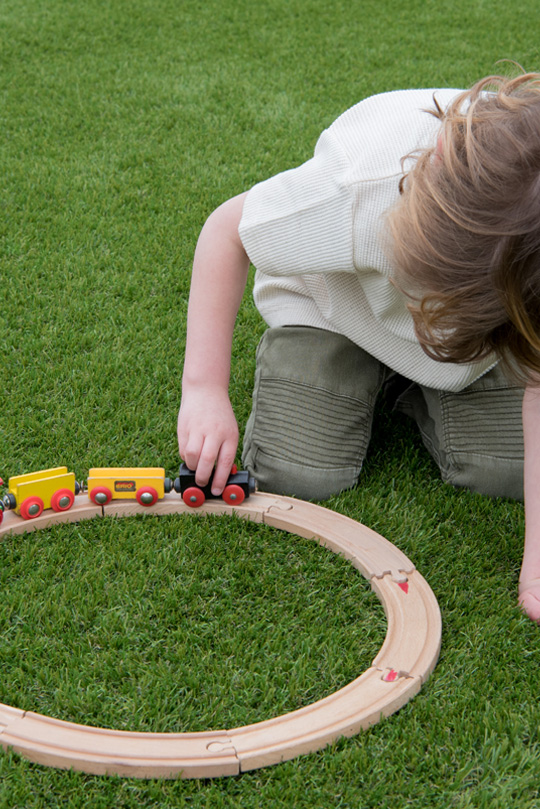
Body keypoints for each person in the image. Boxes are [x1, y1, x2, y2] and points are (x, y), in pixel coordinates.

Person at [177, 73, 540, 623]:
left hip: (467, 346)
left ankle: (414, 388)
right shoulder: (354, 190)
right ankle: (365, 374)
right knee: (299, 476)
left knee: (504, 472)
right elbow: (227, 231)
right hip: (331, 310)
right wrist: (203, 389)